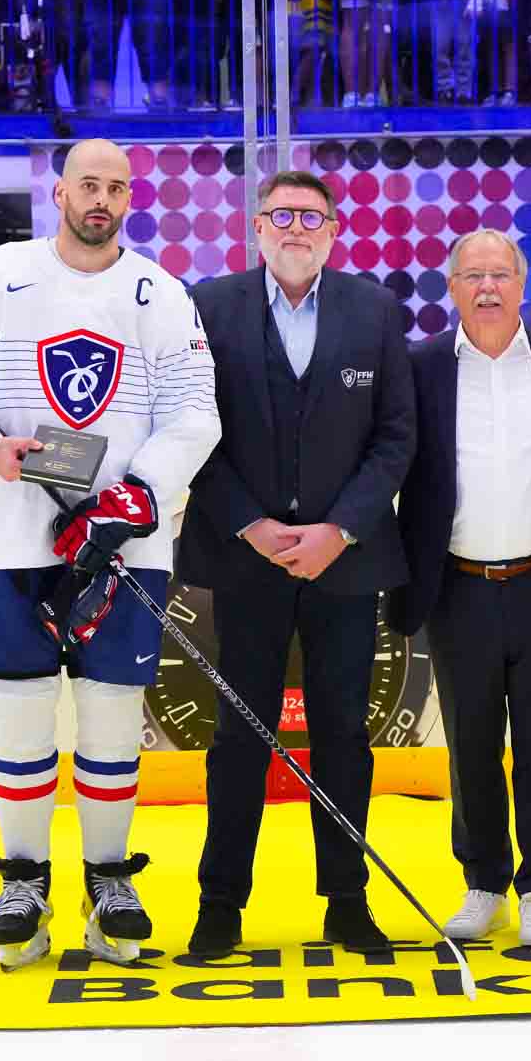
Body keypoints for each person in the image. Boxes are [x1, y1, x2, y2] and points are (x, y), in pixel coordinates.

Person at [0, 139, 219, 970]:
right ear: (60, 192)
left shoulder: (161, 293)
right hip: (10, 532)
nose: (102, 198)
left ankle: (108, 876)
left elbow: (196, 414)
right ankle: (23, 879)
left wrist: (136, 495)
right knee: (18, 707)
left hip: (126, 542)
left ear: (129, 198)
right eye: (89, 183)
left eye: (117, 186)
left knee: (114, 712)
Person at [178, 170, 415, 958]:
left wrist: (338, 531)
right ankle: (220, 903)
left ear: (335, 230)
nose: (295, 228)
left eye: (311, 217)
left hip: (343, 564)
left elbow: (396, 436)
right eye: (281, 215)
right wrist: (249, 523)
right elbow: (191, 428)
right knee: (237, 736)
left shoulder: (374, 311)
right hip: (245, 562)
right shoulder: (208, 307)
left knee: (344, 734)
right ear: (256, 227)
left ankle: (347, 900)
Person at [387, 230, 531, 949]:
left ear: (522, 283)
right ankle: (484, 883)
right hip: (456, 584)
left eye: (500, 274)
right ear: (450, 286)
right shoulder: (419, 366)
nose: (486, 288)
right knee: (471, 744)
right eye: (472, 275)